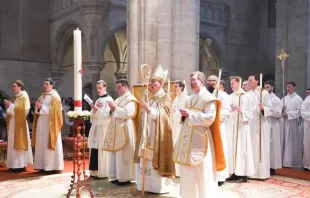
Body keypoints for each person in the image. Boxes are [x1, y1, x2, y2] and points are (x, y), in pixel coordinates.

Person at [173, 71, 225, 198]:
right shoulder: (189, 99)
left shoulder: (209, 98)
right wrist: (183, 115)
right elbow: (184, 118)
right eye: (190, 80)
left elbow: (210, 118)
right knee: (188, 170)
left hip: (201, 140)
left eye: (194, 80)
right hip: (188, 139)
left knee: (202, 169)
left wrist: (190, 114)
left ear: (201, 81)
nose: (191, 82)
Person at [136, 65, 175, 194]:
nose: (152, 85)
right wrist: (145, 110)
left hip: (158, 135)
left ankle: (158, 187)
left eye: (154, 82)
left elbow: (163, 117)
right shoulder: (151, 97)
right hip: (148, 134)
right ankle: (146, 186)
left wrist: (149, 110)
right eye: (151, 82)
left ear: (161, 83)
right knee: (146, 161)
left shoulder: (166, 97)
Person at [103, 79, 138, 185]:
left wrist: (115, 108)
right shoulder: (118, 99)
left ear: (125, 87)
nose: (117, 90)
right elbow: (113, 112)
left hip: (125, 129)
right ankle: (115, 176)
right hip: (116, 130)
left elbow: (128, 112)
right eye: (116, 87)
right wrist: (111, 109)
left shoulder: (131, 99)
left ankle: (124, 177)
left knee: (123, 154)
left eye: (119, 87)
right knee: (115, 154)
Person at [226, 76, 255, 183]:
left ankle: (242, 174)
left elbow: (252, 113)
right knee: (232, 148)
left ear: (239, 83)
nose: (231, 85)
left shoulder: (246, 97)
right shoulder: (229, 96)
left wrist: (240, 110)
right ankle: (234, 172)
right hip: (232, 126)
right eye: (230, 83)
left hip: (242, 126)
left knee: (241, 149)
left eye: (233, 83)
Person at [32, 78, 64, 172]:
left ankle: (52, 167)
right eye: (44, 84)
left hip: (51, 124)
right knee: (41, 143)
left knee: (48, 143)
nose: (45, 85)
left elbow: (55, 111)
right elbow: (37, 109)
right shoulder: (42, 96)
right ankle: (42, 166)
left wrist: (41, 107)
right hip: (42, 122)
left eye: (47, 84)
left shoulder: (55, 97)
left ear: (52, 85)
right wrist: (37, 107)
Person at [206, 75, 230, 186]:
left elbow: (226, 111)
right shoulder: (205, 95)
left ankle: (220, 177)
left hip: (218, 126)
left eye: (213, 81)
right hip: (206, 126)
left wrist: (214, 117)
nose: (210, 83)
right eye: (209, 80)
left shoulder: (223, 95)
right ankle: (209, 175)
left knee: (219, 149)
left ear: (217, 82)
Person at [247, 75, 272, 180]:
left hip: (261, 123)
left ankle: (262, 173)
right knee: (251, 147)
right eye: (248, 81)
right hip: (250, 123)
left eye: (251, 80)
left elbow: (270, 108)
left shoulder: (264, 93)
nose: (249, 82)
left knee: (261, 147)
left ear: (257, 81)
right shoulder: (247, 94)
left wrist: (263, 108)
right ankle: (251, 172)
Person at [5, 80, 33, 172]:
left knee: (19, 143)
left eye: (14, 86)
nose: (13, 88)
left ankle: (20, 165)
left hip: (20, 124)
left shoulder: (24, 97)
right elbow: (14, 110)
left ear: (20, 86)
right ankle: (13, 165)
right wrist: (9, 107)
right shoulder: (16, 97)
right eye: (12, 86)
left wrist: (11, 105)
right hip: (14, 123)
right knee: (13, 142)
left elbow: (24, 111)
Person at [88, 80, 113, 179]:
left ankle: (102, 172)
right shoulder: (98, 100)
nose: (98, 90)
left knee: (101, 149)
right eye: (97, 88)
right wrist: (94, 109)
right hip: (96, 127)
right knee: (94, 148)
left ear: (105, 88)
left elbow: (107, 115)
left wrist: (96, 109)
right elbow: (92, 115)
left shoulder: (109, 100)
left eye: (100, 88)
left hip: (103, 127)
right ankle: (94, 172)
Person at [281, 81, 303, 168]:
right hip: (284, 122)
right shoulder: (284, 99)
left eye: (289, 86)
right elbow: (278, 109)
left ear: (294, 87)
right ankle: (284, 161)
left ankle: (292, 162)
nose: (288, 88)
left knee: (291, 142)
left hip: (293, 123)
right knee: (284, 141)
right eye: (287, 87)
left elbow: (300, 112)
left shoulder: (298, 99)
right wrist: (282, 110)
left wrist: (288, 114)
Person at [264, 81, 282, 175]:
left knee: (273, 147)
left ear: (272, 88)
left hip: (273, 125)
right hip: (265, 124)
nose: (266, 89)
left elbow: (278, 113)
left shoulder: (276, 100)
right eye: (265, 87)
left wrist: (266, 110)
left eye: (267, 87)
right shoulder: (264, 99)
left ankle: (272, 167)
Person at [171, 80, 189, 177]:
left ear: (182, 87)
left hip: (181, 126)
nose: (174, 88)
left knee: (181, 147)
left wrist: (176, 112)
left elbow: (186, 113)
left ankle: (181, 171)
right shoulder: (176, 98)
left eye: (176, 86)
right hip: (175, 126)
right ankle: (176, 170)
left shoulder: (186, 98)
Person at [300, 88, 310, 171]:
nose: (307, 94)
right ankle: (307, 164)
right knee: (307, 144)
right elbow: (302, 112)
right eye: (307, 92)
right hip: (308, 124)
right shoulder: (306, 100)